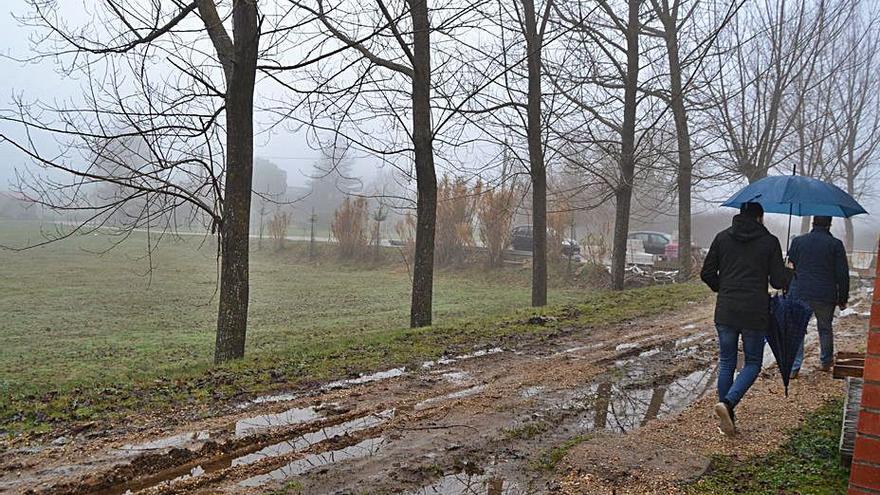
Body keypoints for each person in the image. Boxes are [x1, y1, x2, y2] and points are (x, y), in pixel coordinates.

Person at [700, 202, 790, 436]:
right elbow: (779, 282)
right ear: (760, 218)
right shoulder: (770, 242)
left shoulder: (722, 238)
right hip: (754, 312)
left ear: (740, 215)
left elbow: (706, 273)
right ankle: (728, 405)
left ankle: (726, 419)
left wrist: (725, 288)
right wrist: (789, 271)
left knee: (728, 362)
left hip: (726, 309)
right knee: (752, 363)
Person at [788, 216, 849, 377]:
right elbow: (842, 274)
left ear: (813, 223)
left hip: (800, 291)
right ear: (829, 224)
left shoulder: (798, 242)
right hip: (825, 294)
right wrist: (842, 298)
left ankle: (794, 367)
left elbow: (791, 264)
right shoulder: (835, 245)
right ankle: (826, 361)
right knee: (825, 328)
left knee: (798, 329)